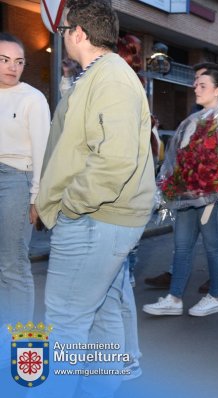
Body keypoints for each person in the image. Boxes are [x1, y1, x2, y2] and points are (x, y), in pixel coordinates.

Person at [34, 1, 155, 396]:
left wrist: (70, 204)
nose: (63, 35)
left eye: (65, 29)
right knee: (101, 314)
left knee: (66, 320)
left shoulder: (112, 78)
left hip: (94, 219)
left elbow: (115, 160)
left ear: (80, 33)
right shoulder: (101, 75)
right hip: (99, 219)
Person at [143, 69, 218, 316]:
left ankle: (215, 296)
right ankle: (174, 298)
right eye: (195, 84)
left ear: (217, 91)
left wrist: (208, 182)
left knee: (214, 247)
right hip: (187, 197)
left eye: (202, 85)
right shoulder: (192, 121)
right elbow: (179, 157)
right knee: (182, 246)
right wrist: (171, 183)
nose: (195, 88)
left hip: (213, 198)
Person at [0, 33, 50, 354]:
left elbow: (43, 152)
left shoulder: (33, 98)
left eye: (19, 61)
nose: (12, 67)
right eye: (4, 60)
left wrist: (36, 199)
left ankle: (19, 348)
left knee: (13, 266)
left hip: (15, 179)